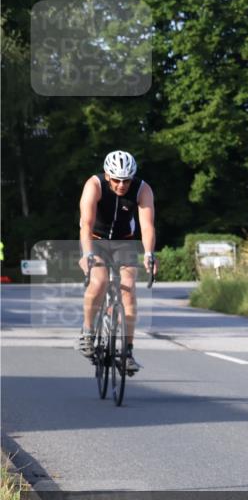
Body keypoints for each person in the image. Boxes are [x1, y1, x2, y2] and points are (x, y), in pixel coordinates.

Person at [77, 150, 157, 374]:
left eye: (127, 180)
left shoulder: (142, 189)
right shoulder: (94, 185)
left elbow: (147, 226)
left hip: (124, 242)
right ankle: (87, 332)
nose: (122, 185)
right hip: (95, 240)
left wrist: (149, 254)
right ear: (107, 175)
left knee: (128, 289)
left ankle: (127, 352)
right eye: (117, 180)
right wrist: (87, 254)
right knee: (99, 281)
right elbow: (86, 224)